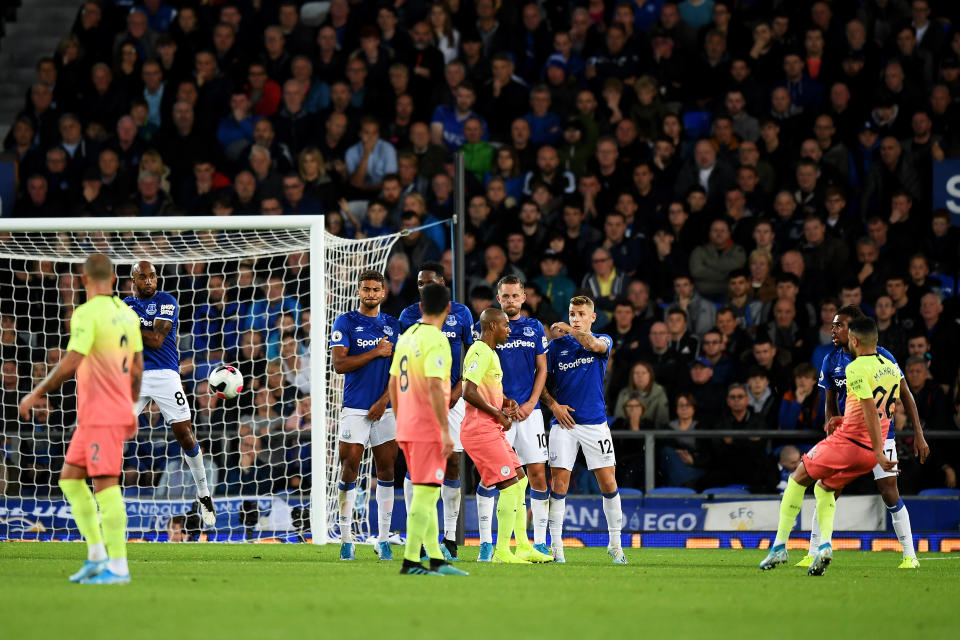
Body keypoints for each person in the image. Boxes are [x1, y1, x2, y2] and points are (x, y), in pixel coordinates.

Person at [19, 254, 142, 584]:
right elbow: (138, 367)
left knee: (105, 486)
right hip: (103, 414)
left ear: (83, 280)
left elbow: (72, 362)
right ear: (114, 279)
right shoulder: (127, 314)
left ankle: (119, 568)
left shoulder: (86, 313)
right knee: (70, 480)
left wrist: (36, 393)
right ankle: (97, 556)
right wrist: (130, 407)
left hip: (101, 414)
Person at [759, 318, 904, 575]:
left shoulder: (856, 367)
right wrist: (871, 446)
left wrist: (879, 450)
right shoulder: (891, 367)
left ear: (855, 341)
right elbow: (881, 410)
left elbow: (870, 409)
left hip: (849, 443)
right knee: (824, 488)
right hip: (867, 453)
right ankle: (825, 546)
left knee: (796, 478)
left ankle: (779, 546)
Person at [802, 305, 929, 569]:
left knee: (889, 492)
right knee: (829, 490)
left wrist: (918, 432)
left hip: (883, 435)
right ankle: (813, 551)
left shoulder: (882, 358)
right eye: (833, 325)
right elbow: (829, 400)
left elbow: (906, 394)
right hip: (848, 437)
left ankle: (910, 555)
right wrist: (830, 423)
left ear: (854, 330)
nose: (833, 330)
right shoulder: (831, 359)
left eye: (839, 325)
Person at [124, 261, 217, 526]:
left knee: (185, 436)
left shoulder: (167, 301)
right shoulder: (125, 305)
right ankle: (102, 502)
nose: (150, 281)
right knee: (113, 434)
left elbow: (156, 339)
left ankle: (203, 494)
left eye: (153, 276)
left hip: (166, 375)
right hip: (136, 376)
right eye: (143, 277)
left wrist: (126, 325)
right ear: (134, 280)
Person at [462, 307, 552, 564]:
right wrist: (498, 414)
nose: (509, 330)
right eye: (505, 326)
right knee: (510, 487)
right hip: (480, 430)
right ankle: (501, 551)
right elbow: (468, 391)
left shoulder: (491, 353)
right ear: (492, 327)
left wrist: (505, 401)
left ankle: (523, 547)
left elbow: (487, 390)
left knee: (521, 481)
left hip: (491, 428)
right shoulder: (479, 350)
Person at [389, 283, 467, 577]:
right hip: (427, 428)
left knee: (428, 491)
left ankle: (435, 558)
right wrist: (445, 431)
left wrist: (400, 420)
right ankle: (410, 561)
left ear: (420, 308)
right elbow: (436, 387)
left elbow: (392, 383)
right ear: (448, 310)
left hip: (407, 427)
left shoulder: (407, 336)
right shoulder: (437, 340)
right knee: (426, 492)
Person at [541, 296, 626, 565]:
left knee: (609, 483)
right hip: (564, 425)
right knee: (559, 484)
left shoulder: (603, 340)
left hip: (595, 424)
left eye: (580, 314)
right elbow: (539, 384)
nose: (575, 318)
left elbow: (592, 343)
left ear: (592, 317)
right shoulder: (555, 348)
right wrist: (554, 406)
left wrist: (569, 329)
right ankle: (556, 548)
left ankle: (615, 545)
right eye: (571, 313)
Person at [330, 269, 402, 561]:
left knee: (387, 471)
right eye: (366, 289)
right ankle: (346, 538)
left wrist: (384, 401)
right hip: (355, 408)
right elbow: (339, 364)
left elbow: (399, 371)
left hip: (385, 409)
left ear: (383, 293)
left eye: (376, 290)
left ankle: (383, 539)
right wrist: (375, 352)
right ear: (358, 292)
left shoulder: (393, 325)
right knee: (349, 468)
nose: (370, 294)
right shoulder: (345, 321)